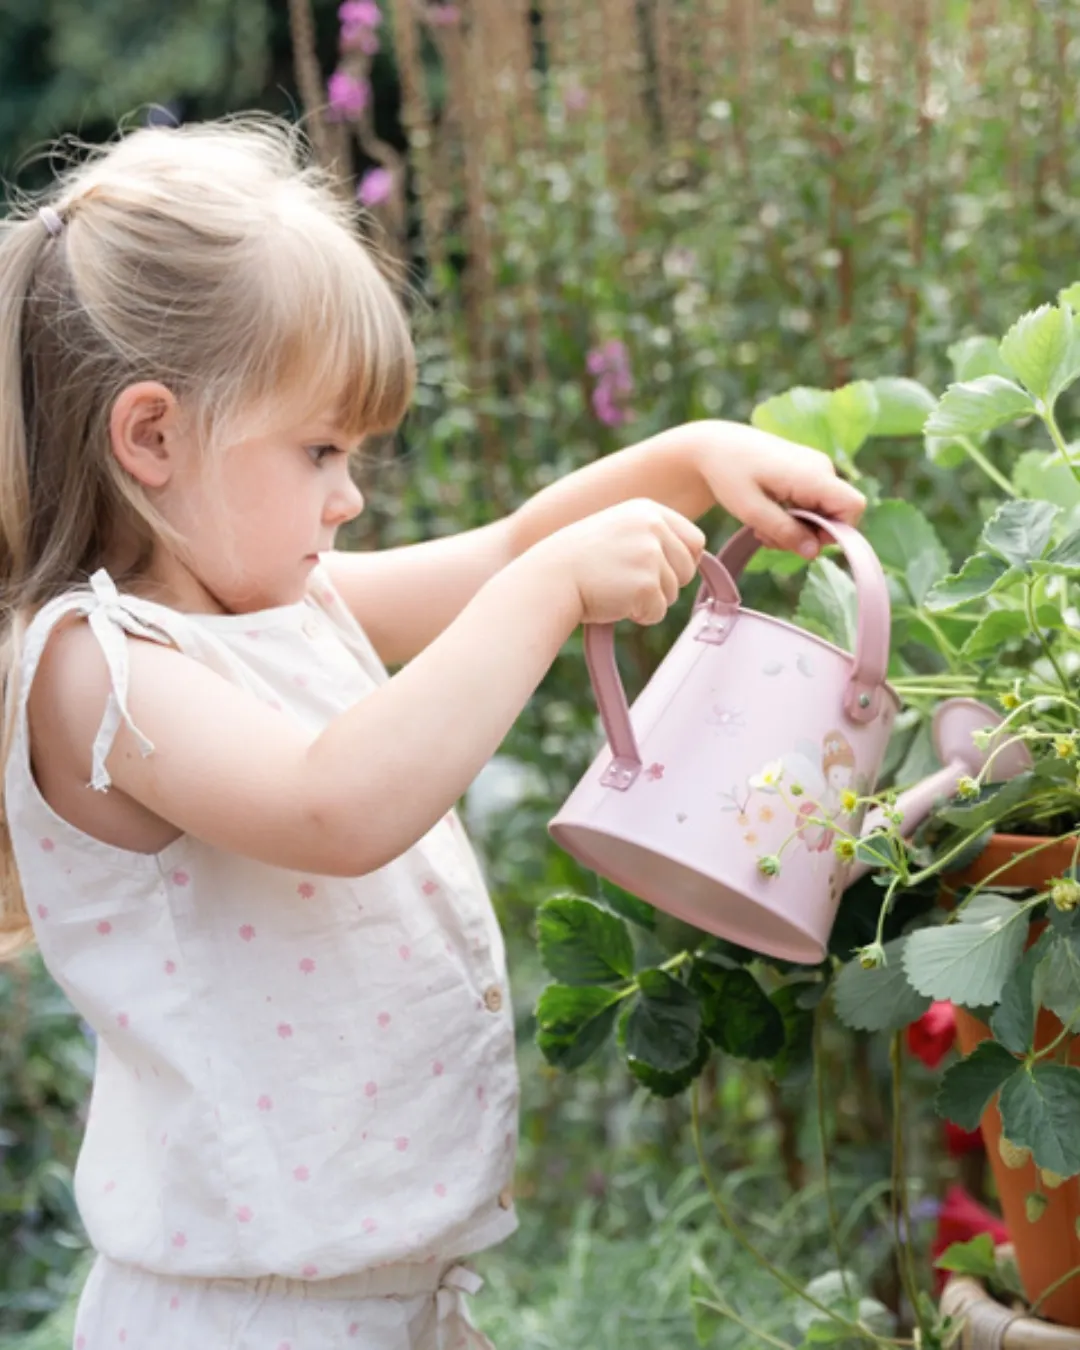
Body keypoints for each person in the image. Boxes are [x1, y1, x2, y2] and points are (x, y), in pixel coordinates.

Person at [0, 116, 865, 1349]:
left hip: (376, 1305)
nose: (348, 495)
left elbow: (510, 546)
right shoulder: (94, 671)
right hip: (240, 1322)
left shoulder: (285, 607)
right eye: (318, 451)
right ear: (152, 438)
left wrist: (693, 457)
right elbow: (332, 805)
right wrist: (552, 591)